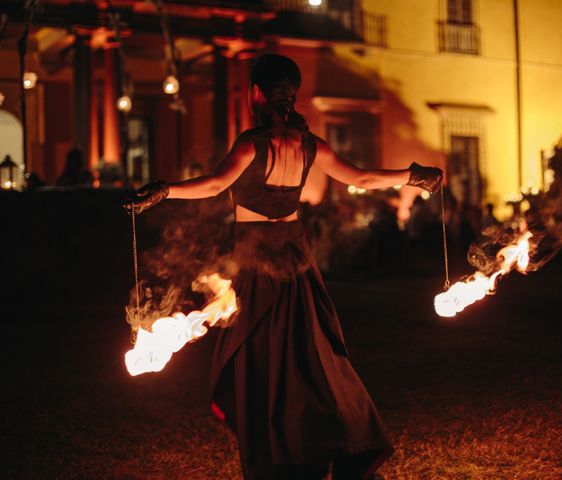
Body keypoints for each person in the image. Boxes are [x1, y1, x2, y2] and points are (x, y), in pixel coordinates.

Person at [126, 54, 442, 480]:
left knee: (259, 360)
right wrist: (413, 174)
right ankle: (318, 441)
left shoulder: (251, 142)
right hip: (295, 259)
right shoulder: (309, 144)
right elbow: (361, 178)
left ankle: (282, 451)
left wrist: (163, 191)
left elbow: (216, 185)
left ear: (256, 93)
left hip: (258, 262)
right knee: (309, 357)